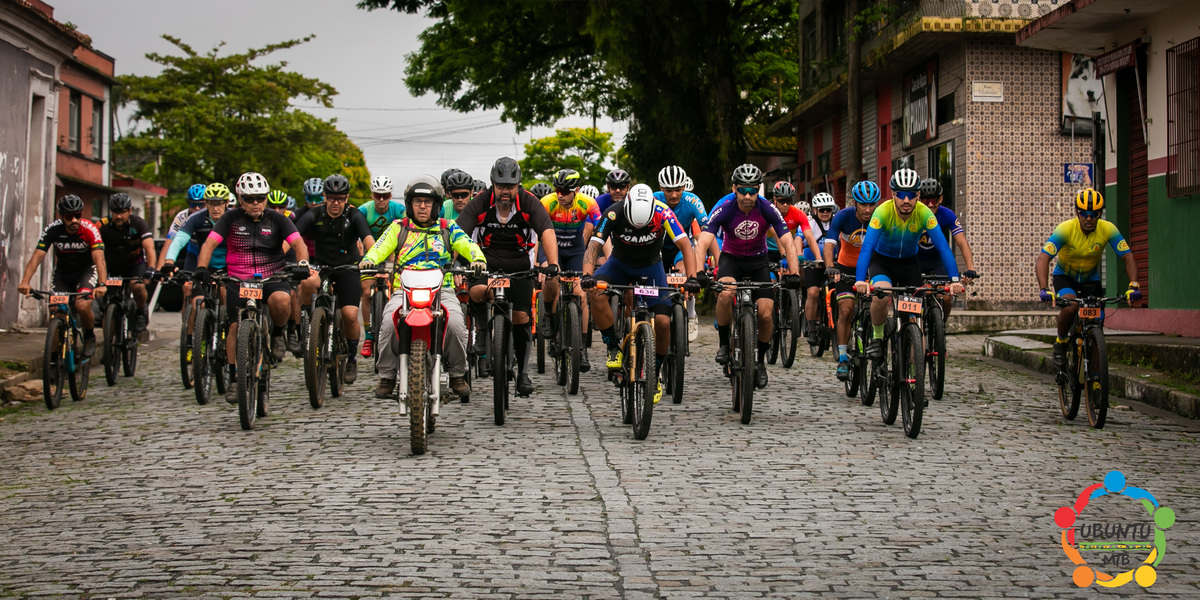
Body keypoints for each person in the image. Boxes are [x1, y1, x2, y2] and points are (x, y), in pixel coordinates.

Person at [361, 175, 487, 399]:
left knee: (457, 325)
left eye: (427, 202)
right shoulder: (398, 227)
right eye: (417, 201)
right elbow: (379, 248)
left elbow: (468, 245)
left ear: (436, 205)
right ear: (409, 204)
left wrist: (478, 260)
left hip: (442, 290)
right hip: (404, 291)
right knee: (387, 323)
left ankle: (457, 374)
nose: (422, 206)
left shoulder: (448, 228)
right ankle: (387, 375)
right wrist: (369, 260)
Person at [581, 183, 703, 403]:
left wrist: (692, 278)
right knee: (595, 293)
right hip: (619, 264)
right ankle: (612, 346)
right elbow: (594, 246)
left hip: (651, 266)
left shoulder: (662, 212)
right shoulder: (614, 212)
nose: (638, 231)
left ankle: (654, 371)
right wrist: (587, 275)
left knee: (663, 322)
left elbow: (686, 245)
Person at [195, 172, 310, 404]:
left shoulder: (277, 219)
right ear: (240, 199)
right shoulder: (230, 218)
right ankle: (235, 378)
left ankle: (278, 334)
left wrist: (303, 264)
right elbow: (210, 243)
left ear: (266, 198)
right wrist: (201, 268)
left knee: (282, 300)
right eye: (249, 199)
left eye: (260, 198)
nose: (255, 203)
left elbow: (298, 243)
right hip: (238, 278)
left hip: (272, 276)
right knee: (234, 327)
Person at [456, 156, 559, 397]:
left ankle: (522, 372)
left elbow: (546, 231)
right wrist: (456, 262)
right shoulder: (481, 202)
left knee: (522, 317)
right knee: (476, 292)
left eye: (510, 186)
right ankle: (483, 330)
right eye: (500, 185)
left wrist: (553, 264)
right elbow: (459, 233)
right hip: (485, 263)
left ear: (518, 185)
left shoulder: (530, 203)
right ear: (493, 184)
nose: (505, 191)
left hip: (519, 266)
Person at [694, 164, 802, 389]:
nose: (747, 196)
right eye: (743, 190)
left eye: (752, 191)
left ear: (758, 190)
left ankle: (759, 361)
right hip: (731, 260)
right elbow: (703, 241)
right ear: (734, 188)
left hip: (758, 262)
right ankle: (724, 345)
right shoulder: (725, 208)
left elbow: (787, 240)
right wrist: (699, 273)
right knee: (726, 294)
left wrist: (794, 273)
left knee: (765, 314)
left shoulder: (767, 208)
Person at [853, 168, 964, 361]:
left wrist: (954, 279)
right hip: (883, 262)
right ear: (893, 194)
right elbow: (867, 247)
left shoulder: (924, 212)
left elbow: (944, 248)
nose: (906, 200)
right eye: (901, 195)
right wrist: (860, 280)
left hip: (909, 264)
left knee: (914, 319)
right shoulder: (882, 212)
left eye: (911, 195)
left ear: (918, 195)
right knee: (881, 293)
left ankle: (913, 368)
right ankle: (877, 338)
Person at [1036, 188, 1140, 368]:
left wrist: (1133, 285)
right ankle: (1061, 342)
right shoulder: (1065, 229)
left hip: (1090, 280)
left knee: (1096, 322)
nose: (1089, 218)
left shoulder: (1107, 229)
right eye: (1084, 214)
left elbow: (1127, 256)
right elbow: (1043, 258)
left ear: (1100, 214)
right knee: (1071, 307)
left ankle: (1095, 369)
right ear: (1077, 213)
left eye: (1094, 214)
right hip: (1065, 277)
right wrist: (1044, 288)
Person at [295, 175, 375, 385]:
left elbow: (368, 240)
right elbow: (293, 236)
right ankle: (308, 320)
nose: (336, 203)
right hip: (321, 266)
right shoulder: (315, 214)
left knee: (350, 315)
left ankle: (351, 358)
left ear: (346, 198)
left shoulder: (354, 215)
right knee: (306, 282)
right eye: (331, 198)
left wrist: (373, 259)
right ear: (325, 197)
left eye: (340, 198)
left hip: (348, 267)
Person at [19, 195, 108, 356]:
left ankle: (89, 334)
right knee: (55, 309)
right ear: (61, 217)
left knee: (82, 306)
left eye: (77, 216)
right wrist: (25, 281)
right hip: (63, 273)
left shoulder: (89, 229)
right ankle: (53, 358)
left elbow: (99, 259)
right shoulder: (53, 229)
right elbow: (37, 256)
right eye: (69, 217)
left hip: (86, 271)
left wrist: (102, 284)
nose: (74, 220)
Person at [539, 168, 601, 372]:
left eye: (565, 192)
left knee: (581, 295)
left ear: (577, 190)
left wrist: (608, 259)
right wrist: (537, 263)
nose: (560, 195)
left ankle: (581, 348)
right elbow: (535, 234)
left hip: (575, 250)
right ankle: (548, 315)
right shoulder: (547, 203)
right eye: (557, 190)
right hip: (551, 248)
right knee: (550, 279)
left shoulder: (588, 203)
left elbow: (603, 232)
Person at [160, 184, 229, 349]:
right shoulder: (196, 218)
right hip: (202, 265)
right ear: (207, 203)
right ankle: (192, 341)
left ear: (226, 203)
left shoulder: (233, 218)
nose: (215, 208)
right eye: (211, 203)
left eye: (219, 204)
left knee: (224, 293)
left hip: (227, 265)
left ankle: (225, 327)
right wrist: (169, 262)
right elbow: (178, 240)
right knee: (198, 302)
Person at [654, 165, 712, 342]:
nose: (673, 195)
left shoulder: (692, 200)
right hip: (657, 248)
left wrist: (716, 260)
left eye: (678, 190)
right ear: (661, 188)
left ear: (684, 187)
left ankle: (691, 313)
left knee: (684, 273)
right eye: (668, 191)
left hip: (680, 248)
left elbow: (707, 231)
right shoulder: (653, 199)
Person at [358, 174, 407, 359]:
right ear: (372, 195)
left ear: (390, 195)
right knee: (365, 292)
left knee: (396, 290)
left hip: (391, 254)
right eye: (377, 195)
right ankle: (368, 336)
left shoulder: (398, 209)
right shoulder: (364, 210)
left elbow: (407, 228)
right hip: (369, 254)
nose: (381, 200)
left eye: (385, 196)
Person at [917, 178, 978, 320]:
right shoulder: (914, 214)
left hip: (936, 261)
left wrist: (970, 268)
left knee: (945, 296)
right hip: (915, 259)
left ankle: (941, 324)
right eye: (926, 200)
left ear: (941, 199)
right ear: (919, 200)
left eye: (934, 200)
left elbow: (962, 242)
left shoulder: (947, 214)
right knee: (911, 296)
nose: (930, 204)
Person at [96, 193, 157, 331]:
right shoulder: (102, 225)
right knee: (105, 295)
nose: (118, 216)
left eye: (122, 212)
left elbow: (150, 248)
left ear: (129, 211)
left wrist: (151, 269)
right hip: (112, 266)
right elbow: (92, 246)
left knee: (137, 286)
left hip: (134, 265)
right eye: (115, 212)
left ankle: (141, 311)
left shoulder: (139, 223)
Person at [803, 192, 838, 344]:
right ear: (815, 210)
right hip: (812, 263)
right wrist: (799, 256)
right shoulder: (809, 223)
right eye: (821, 210)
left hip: (833, 263)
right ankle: (811, 328)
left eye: (828, 209)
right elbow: (799, 239)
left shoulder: (837, 222)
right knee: (813, 293)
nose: (825, 212)